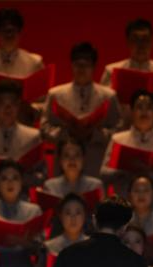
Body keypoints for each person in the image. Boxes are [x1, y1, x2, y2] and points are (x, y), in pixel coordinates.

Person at [40, 42, 121, 178]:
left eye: (86, 65)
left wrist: (95, 135)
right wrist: (66, 134)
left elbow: (118, 130)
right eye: (78, 64)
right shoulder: (56, 94)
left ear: (94, 67)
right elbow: (44, 127)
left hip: (95, 160)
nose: (81, 69)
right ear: (71, 65)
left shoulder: (108, 96)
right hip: (64, 161)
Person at [101, 90, 153, 213]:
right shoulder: (118, 139)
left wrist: (149, 173)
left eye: (149, 108)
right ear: (131, 111)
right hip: (123, 208)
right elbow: (104, 173)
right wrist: (125, 169)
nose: (144, 112)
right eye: (139, 107)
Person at [0, 83, 47, 203]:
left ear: (18, 105)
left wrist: (18, 178)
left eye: (12, 104)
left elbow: (42, 177)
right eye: (2, 103)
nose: (8, 108)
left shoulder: (33, 137)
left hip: (23, 202)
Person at [100, 18, 153, 121]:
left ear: (152, 42)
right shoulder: (112, 71)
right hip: (122, 129)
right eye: (136, 40)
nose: (141, 45)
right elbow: (103, 105)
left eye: (145, 39)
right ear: (128, 42)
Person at [43, 192, 89, 256]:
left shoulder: (92, 247)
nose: (73, 218)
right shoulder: (49, 247)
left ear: (84, 215)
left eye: (78, 213)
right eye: (68, 213)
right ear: (60, 216)